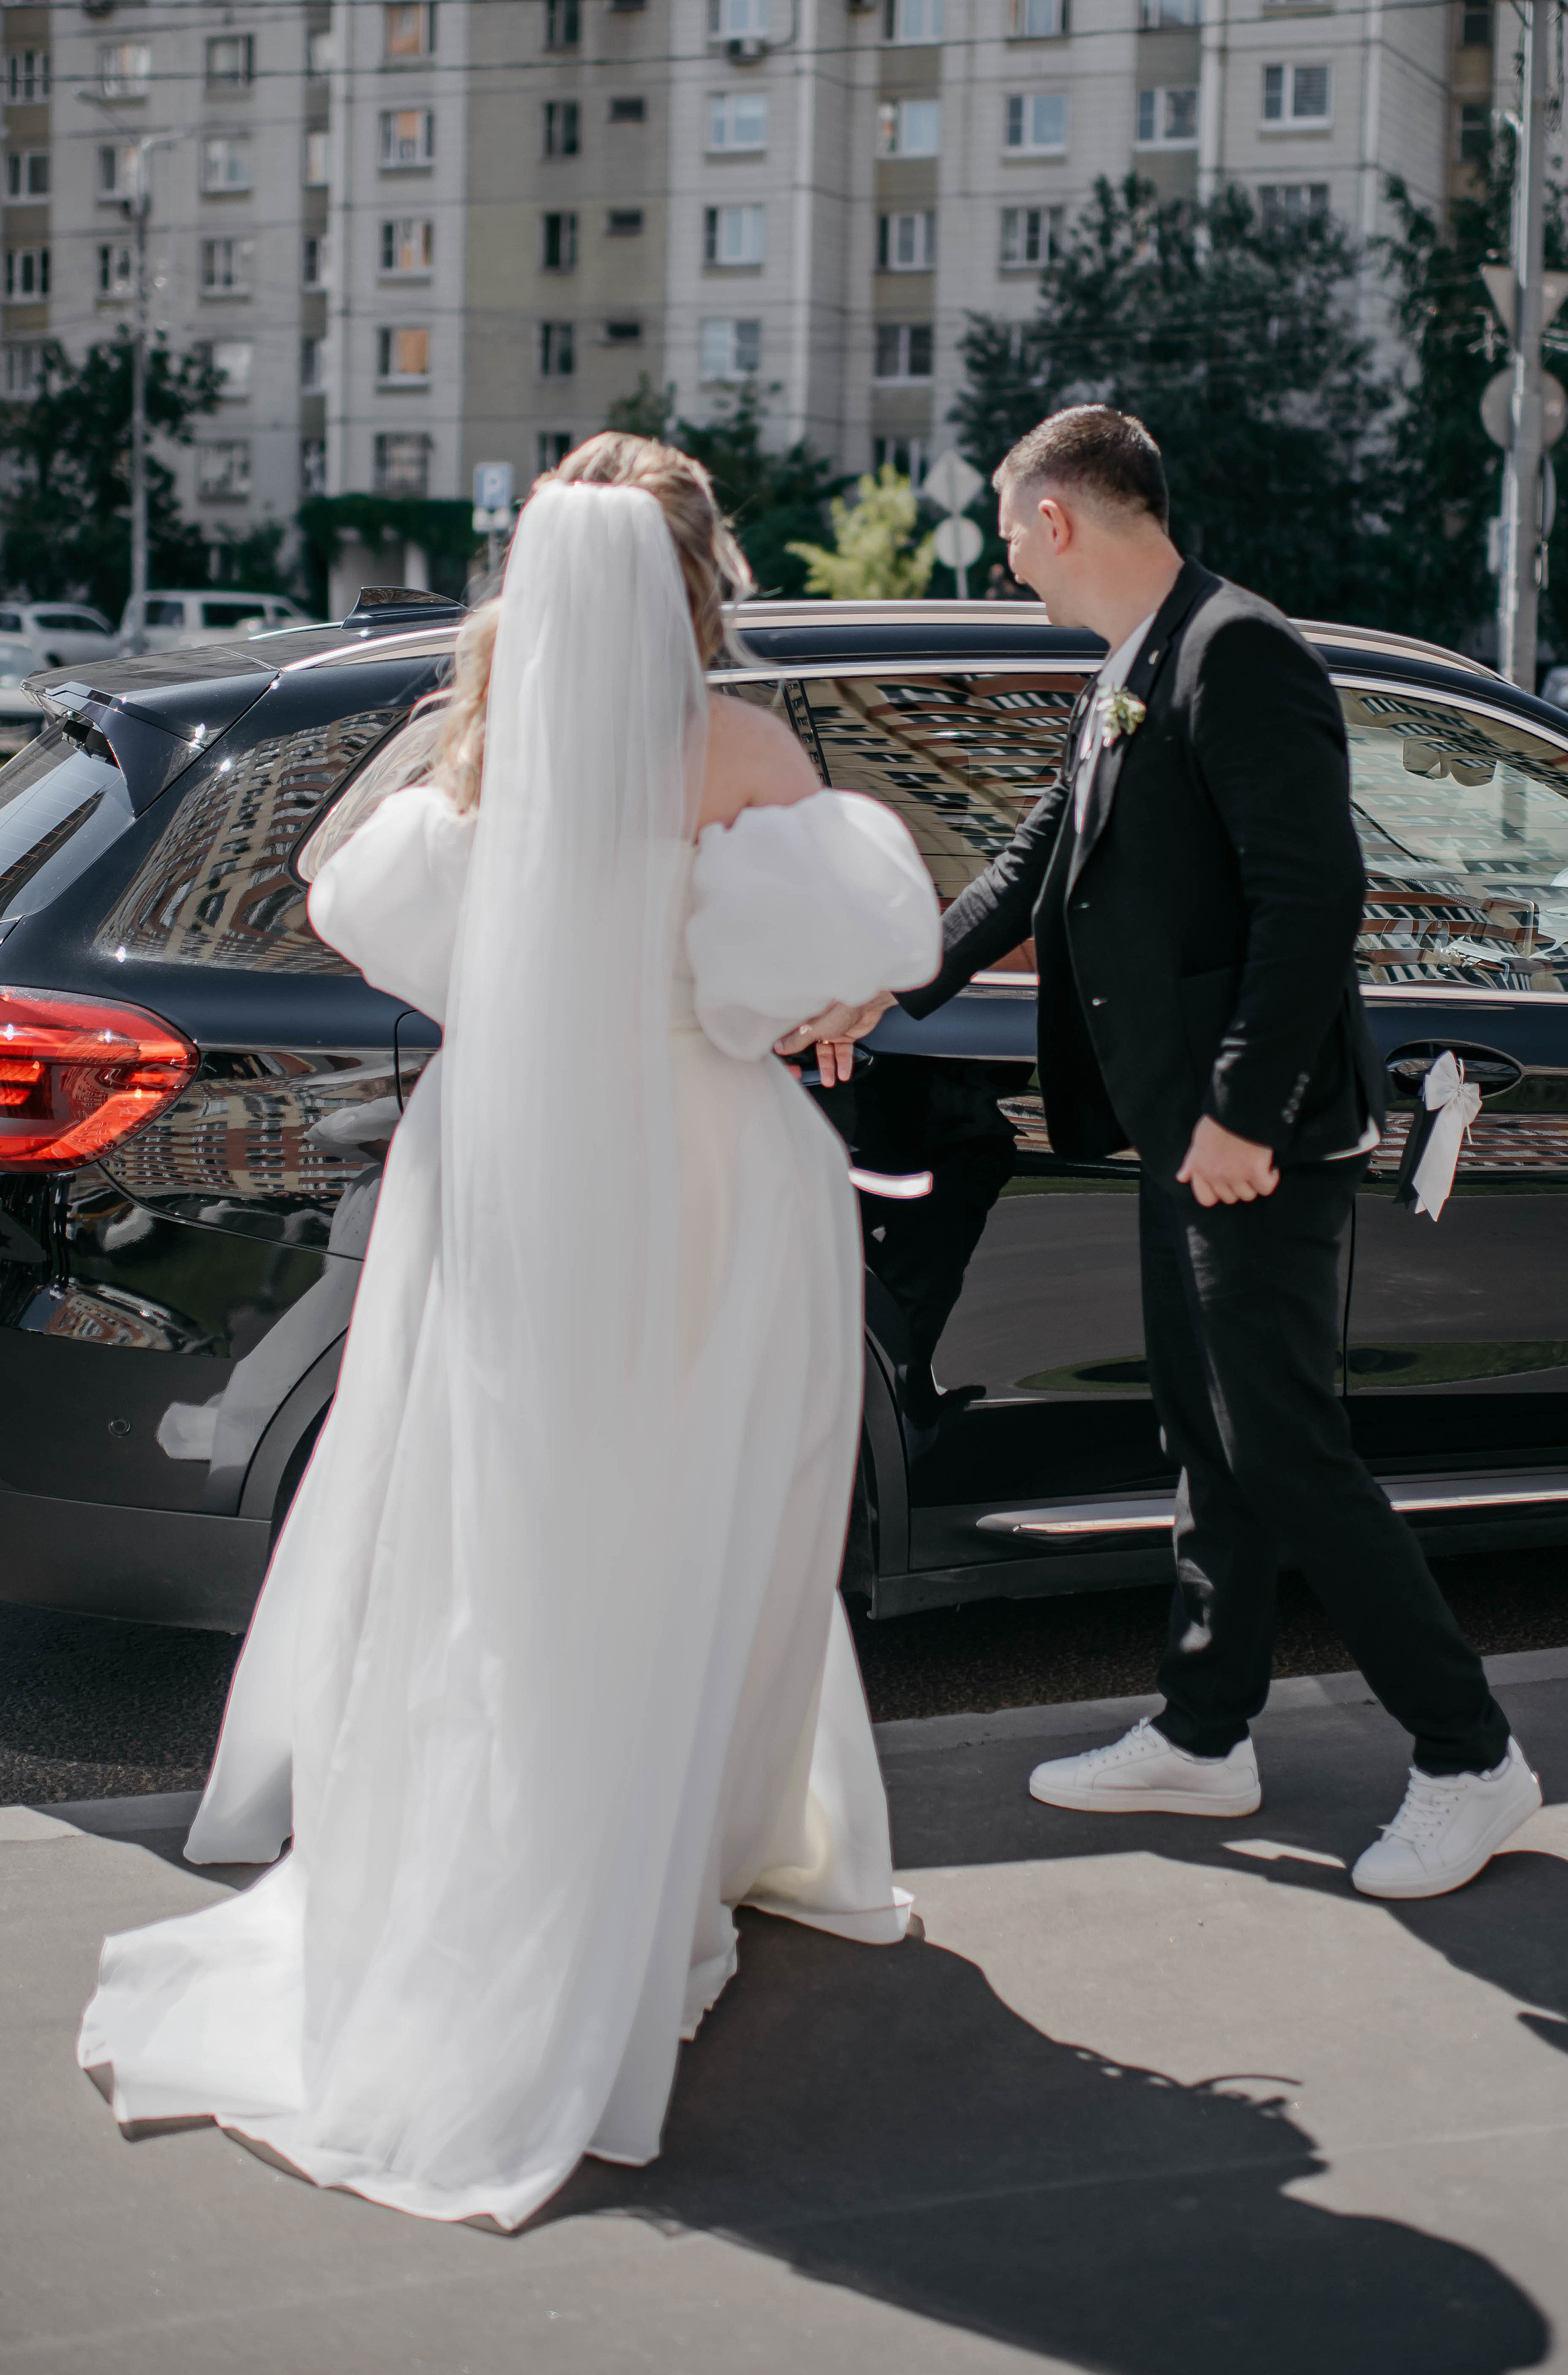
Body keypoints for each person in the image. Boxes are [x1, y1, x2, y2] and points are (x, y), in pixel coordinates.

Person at [76, 435, 943, 2227]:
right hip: (708, 1181)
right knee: (714, 1523)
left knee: (510, 1534)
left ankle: (518, 1856)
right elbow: (824, 976)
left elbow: (359, 906)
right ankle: (688, 1855)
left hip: (508, 1177)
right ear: (700, 576)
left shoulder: (473, 754)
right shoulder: (744, 752)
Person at [782, 406, 1541, 1901]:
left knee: (1286, 1450)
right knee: (1205, 1434)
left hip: (1250, 1139)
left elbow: (1311, 899)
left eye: (1011, 531)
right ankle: (1204, 1734)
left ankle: (1469, 1756)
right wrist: (887, 983)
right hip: (1174, 1126)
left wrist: (1244, 1115)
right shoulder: (1134, 661)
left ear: (1058, 518)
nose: (1005, 559)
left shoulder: (1237, 652)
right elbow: (1033, 863)